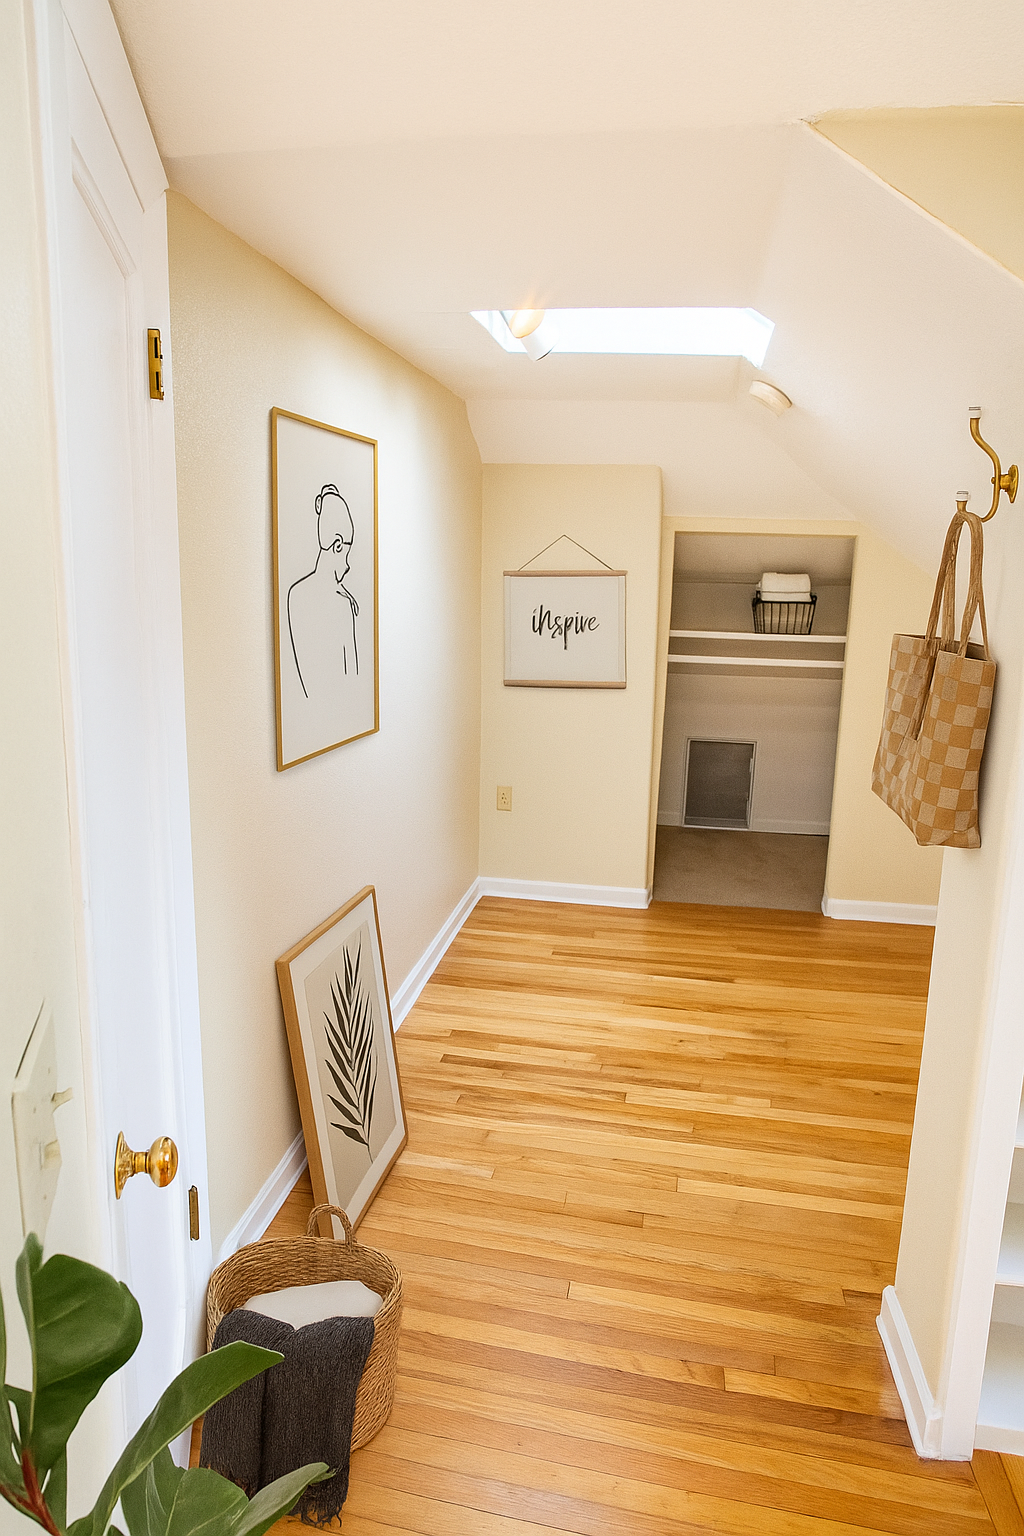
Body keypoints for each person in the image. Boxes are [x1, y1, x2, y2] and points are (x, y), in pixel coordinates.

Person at [286, 484, 359, 701]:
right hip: (339, 712)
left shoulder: (294, 594)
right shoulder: (341, 605)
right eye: (347, 552)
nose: (348, 566)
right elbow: (353, 681)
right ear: (337, 545)